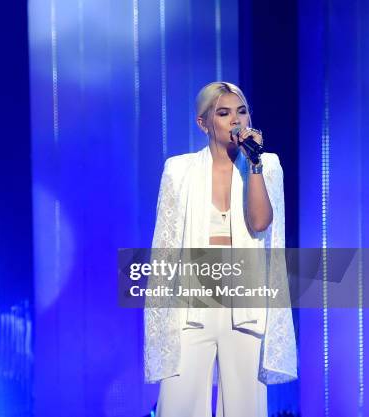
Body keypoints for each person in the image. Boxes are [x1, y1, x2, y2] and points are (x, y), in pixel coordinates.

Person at [144, 82, 297, 417]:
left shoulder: (266, 164)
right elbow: (166, 244)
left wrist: (253, 164)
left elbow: (261, 223)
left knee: (245, 406)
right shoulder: (178, 170)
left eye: (241, 112)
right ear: (204, 123)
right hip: (192, 298)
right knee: (178, 404)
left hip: (245, 294)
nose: (235, 121)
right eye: (224, 113)